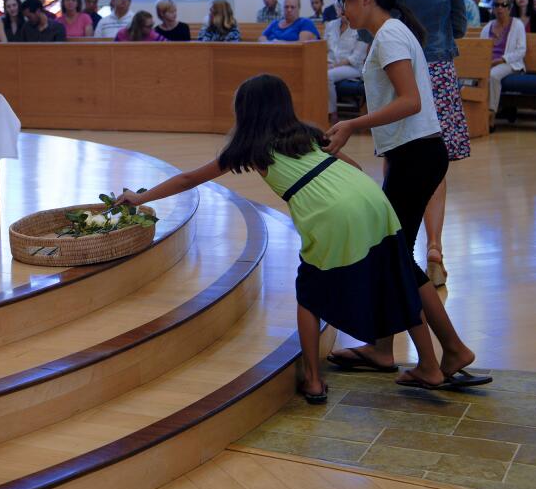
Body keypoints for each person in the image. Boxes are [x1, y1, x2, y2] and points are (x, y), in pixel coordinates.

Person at [115, 75, 431, 405]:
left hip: (331, 213)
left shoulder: (250, 148)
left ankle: (312, 380)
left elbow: (187, 179)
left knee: (310, 294)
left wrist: (140, 198)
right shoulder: (308, 133)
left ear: (246, 112)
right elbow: (353, 167)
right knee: (396, 277)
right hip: (371, 200)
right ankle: (429, 364)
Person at [321, 0, 488, 388]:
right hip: (412, 154)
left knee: (392, 256)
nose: (342, 11)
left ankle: (449, 349)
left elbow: (410, 101)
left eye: (343, 0)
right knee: (389, 253)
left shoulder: (391, 35)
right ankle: (383, 348)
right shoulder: (390, 33)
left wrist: (352, 125)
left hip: (417, 154)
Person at [368, 0, 471, 287]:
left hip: (397, 72)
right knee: (434, 163)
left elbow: (369, 32)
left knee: (397, 156)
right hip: (439, 71)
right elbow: (460, 25)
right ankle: (435, 248)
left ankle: (400, 246)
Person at [479, 0, 527, 122]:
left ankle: (491, 114)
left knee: (493, 75)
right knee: (473, 77)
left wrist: (501, 60)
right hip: (488, 64)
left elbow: (521, 50)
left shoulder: (517, 25)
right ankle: (476, 112)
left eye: (504, 4)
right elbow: (481, 50)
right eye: (496, 5)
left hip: (510, 63)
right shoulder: (487, 27)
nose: (500, 8)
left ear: (510, 7)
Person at [325, 16, 369, 124]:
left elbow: (356, 58)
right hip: (331, 65)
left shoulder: (361, 26)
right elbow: (323, 47)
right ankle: (316, 113)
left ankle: (332, 113)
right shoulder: (331, 25)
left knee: (327, 76)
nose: (343, 11)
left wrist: (334, 65)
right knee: (313, 72)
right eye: (340, 6)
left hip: (353, 67)